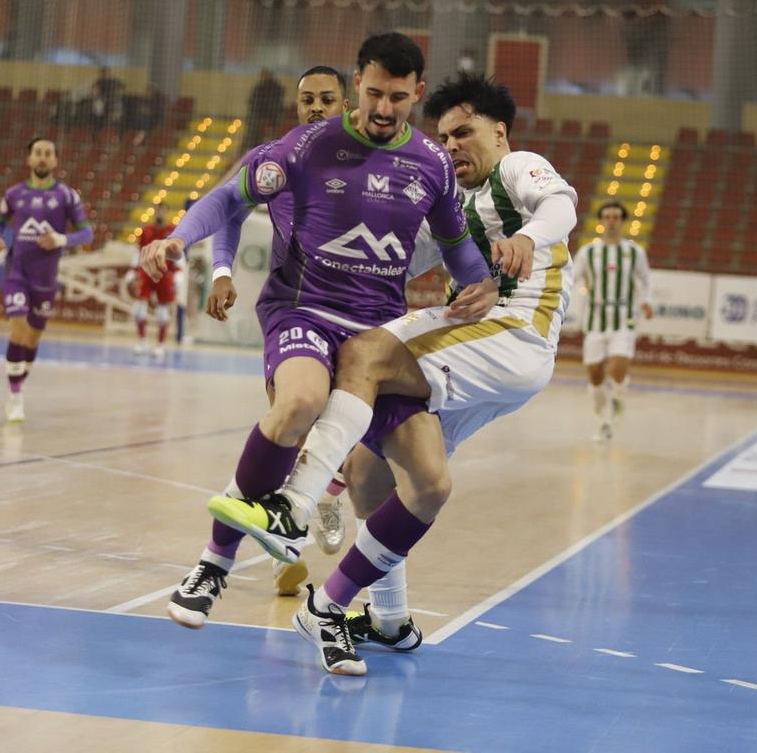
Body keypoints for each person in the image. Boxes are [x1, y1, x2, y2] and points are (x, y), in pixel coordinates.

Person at [139, 34, 497, 675]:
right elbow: (228, 199)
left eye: (398, 97)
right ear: (357, 83)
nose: (383, 108)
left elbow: (455, 245)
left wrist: (484, 282)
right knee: (301, 401)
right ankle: (213, 565)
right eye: (374, 93)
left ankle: (332, 607)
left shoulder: (432, 165)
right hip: (303, 310)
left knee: (430, 483)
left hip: (377, 338)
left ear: (417, 93)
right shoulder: (307, 146)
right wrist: (179, 238)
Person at [207, 71, 579, 675]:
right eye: (444, 137)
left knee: (362, 353)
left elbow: (562, 205)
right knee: (389, 475)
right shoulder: (451, 202)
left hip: (513, 332)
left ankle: (298, 501)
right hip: (487, 357)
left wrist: (530, 238)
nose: (451, 146)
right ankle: (373, 615)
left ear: (499, 132)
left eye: (464, 133)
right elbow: (397, 254)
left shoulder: (517, 168)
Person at [205, 64, 353, 595]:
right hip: (293, 309)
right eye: (307, 99)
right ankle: (279, 556)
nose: (316, 108)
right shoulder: (275, 159)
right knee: (291, 417)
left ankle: (326, 493)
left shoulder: (375, 164)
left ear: (346, 105)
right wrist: (221, 272)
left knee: (349, 440)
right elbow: (228, 212)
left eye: (327, 99)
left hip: (358, 314)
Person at [0, 138, 94, 422]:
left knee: (32, 338)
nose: (43, 158)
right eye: (38, 153)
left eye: (48, 153)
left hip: (46, 279)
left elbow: (87, 234)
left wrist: (61, 239)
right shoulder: (14, 194)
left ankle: (18, 383)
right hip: (17, 272)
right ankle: (14, 396)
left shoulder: (66, 196)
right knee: (17, 326)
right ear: (29, 159)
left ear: (55, 160)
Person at [572, 202, 652, 442]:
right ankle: (603, 421)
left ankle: (618, 395)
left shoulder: (634, 252)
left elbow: (645, 279)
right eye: (607, 217)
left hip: (624, 318)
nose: (611, 221)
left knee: (617, 367)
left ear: (622, 221)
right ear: (601, 221)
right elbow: (572, 277)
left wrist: (646, 301)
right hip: (595, 318)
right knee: (595, 375)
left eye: (616, 217)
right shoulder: (588, 252)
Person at [132, 205, 177, 356]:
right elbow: (139, 252)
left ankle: (160, 345)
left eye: (163, 211)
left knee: (162, 313)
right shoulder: (146, 231)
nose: (160, 214)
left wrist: (178, 274)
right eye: (158, 211)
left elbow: (179, 253)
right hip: (146, 273)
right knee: (139, 310)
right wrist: (133, 271)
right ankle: (142, 342)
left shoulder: (172, 231)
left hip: (165, 274)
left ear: (167, 213)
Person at [243, 68, 286, 149]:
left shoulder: (275, 87)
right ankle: (252, 145)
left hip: (270, 114)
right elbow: (252, 101)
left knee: (255, 126)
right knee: (252, 126)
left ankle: (253, 145)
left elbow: (274, 103)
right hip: (261, 114)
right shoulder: (259, 87)